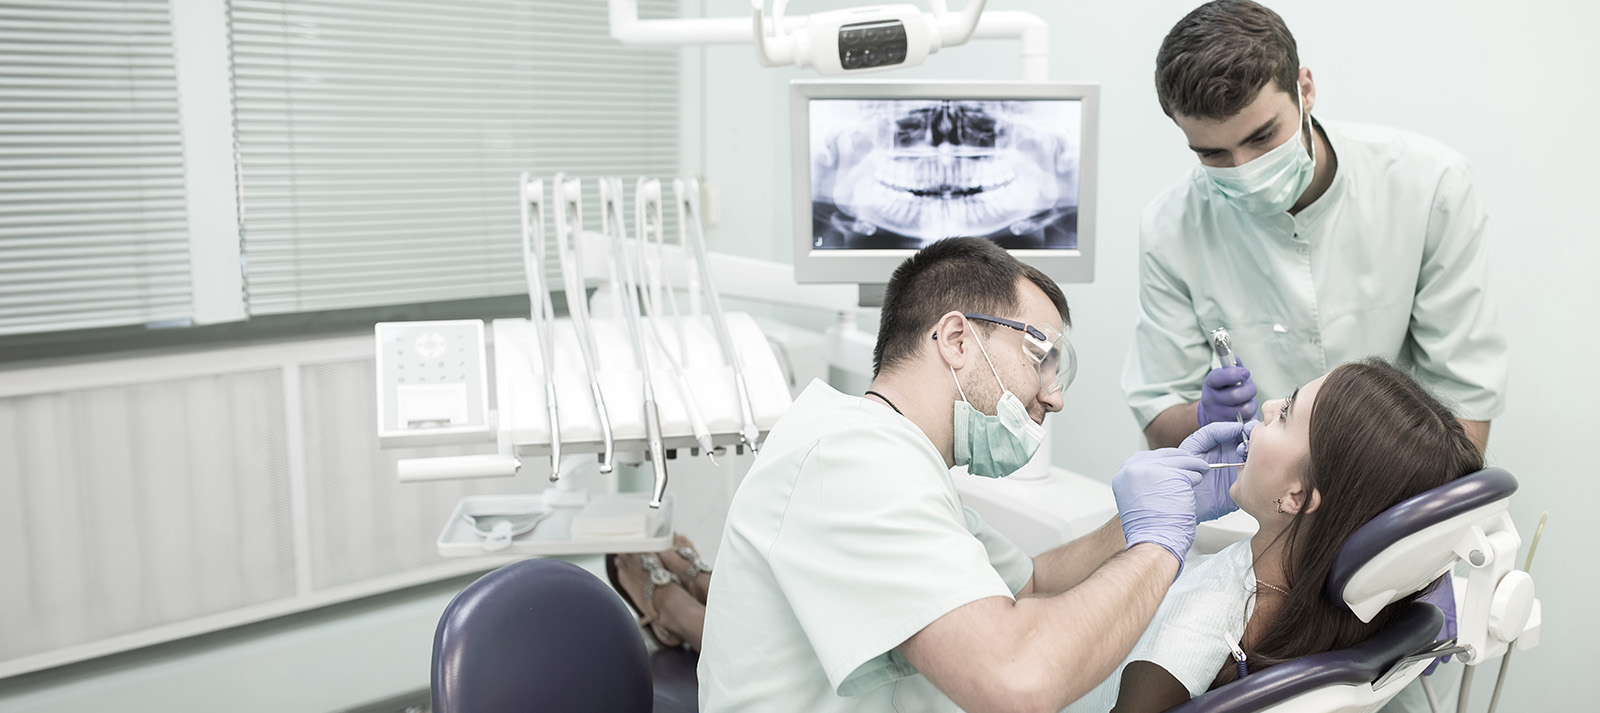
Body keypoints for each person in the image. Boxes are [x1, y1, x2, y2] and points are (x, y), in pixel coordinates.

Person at [695, 237, 1239, 712]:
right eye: (1041, 358)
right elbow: (1017, 683)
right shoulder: (852, 459)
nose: (1054, 396)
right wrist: (1157, 547)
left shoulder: (896, 456)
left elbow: (1032, 584)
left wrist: (1161, 511)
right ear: (956, 339)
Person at [1122, 0, 1507, 455]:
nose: (1245, 170)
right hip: (1259, 497)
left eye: (1262, 137)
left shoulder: (1431, 186)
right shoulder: (1172, 226)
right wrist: (1204, 417)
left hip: (1402, 480)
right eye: (1214, 155)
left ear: (1305, 89)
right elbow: (1160, 417)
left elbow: (1465, 400)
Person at [1071, 357, 1483, 712]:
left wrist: (1144, 536)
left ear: (1295, 496)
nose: (1267, 407)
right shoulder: (1328, 616)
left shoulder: (1200, 619)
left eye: (1285, 413)